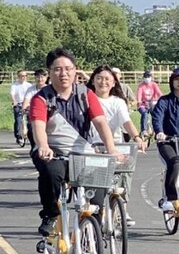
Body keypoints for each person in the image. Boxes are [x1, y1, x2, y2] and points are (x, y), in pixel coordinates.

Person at [29, 48, 122, 238]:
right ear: (49, 71)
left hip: (83, 152)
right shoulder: (40, 98)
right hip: (54, 152)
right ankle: (50, 214)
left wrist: (111, 149)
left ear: (75, 71)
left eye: (68, 69)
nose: (64, 74)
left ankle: (93, 229)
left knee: (98, 183)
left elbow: (100, 122)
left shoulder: (85, 94)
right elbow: (38, 126)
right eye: (57, 69)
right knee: (51, 172)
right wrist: (44, 146)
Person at [86, 65, 147, 227]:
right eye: (99, 78)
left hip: (116, 145)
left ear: (114, 83)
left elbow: (126, 121)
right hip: (93, 147)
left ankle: (122, 209)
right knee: (96, 185)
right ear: (92, 80)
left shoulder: (118, 102)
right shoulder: (86, 99)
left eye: (107, 79)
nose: (103, 82)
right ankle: (94, 213)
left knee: (124, 174)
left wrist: (136, 137)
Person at [153, 67, 179, 212]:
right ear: (172, 82)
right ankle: (170, 198)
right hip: (168, 142)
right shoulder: (164, 101)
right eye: (177, 79)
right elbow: (157, 117)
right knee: (174, 162)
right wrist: (159, 132)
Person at [21, 69, 48, 149]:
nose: (40, 79)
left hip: (46, 113)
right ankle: (34, 147)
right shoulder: (31, 89)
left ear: (46, 78)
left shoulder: (49, 89)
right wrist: (24, 108)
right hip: (33, 113)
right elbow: (26, 100)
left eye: (42, 77)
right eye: (38, 77)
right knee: (30, 131)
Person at [112, 67, 137, 142]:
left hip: (124, 112)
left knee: (125, 129)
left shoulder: (125, 87)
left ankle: (127, 141)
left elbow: (134, 100)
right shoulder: (108, 87)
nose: (115, 75)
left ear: (120, 75)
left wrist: (129, 105)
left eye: (116, 74)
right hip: (112, 112)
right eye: (113, 73)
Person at [136, 70, 163, 135]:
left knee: (156, 115)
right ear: (144, 77)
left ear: (151, 77)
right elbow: (139, 94)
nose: (147, 78)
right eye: (146, 76)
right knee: (144, 114)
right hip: (143, 104)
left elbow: (159, 93)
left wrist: (162, 99)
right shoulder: (141, 86)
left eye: (148, 76)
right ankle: (143, 130)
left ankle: (156, 129)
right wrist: (139, 100)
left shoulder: (154, 85)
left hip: (152, 103)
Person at [10, 70, 32, 146]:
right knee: (18, 120)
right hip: (18, 104)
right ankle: (18, 136)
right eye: (21, 76)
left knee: (31, 121)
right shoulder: (14, 85)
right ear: (18, 76)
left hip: (28, 104)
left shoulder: (29, 85)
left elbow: (31, 95)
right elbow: (12, 95)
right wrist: (14, 102)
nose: (23, 77)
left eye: (25, 76)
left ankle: (30, 135)